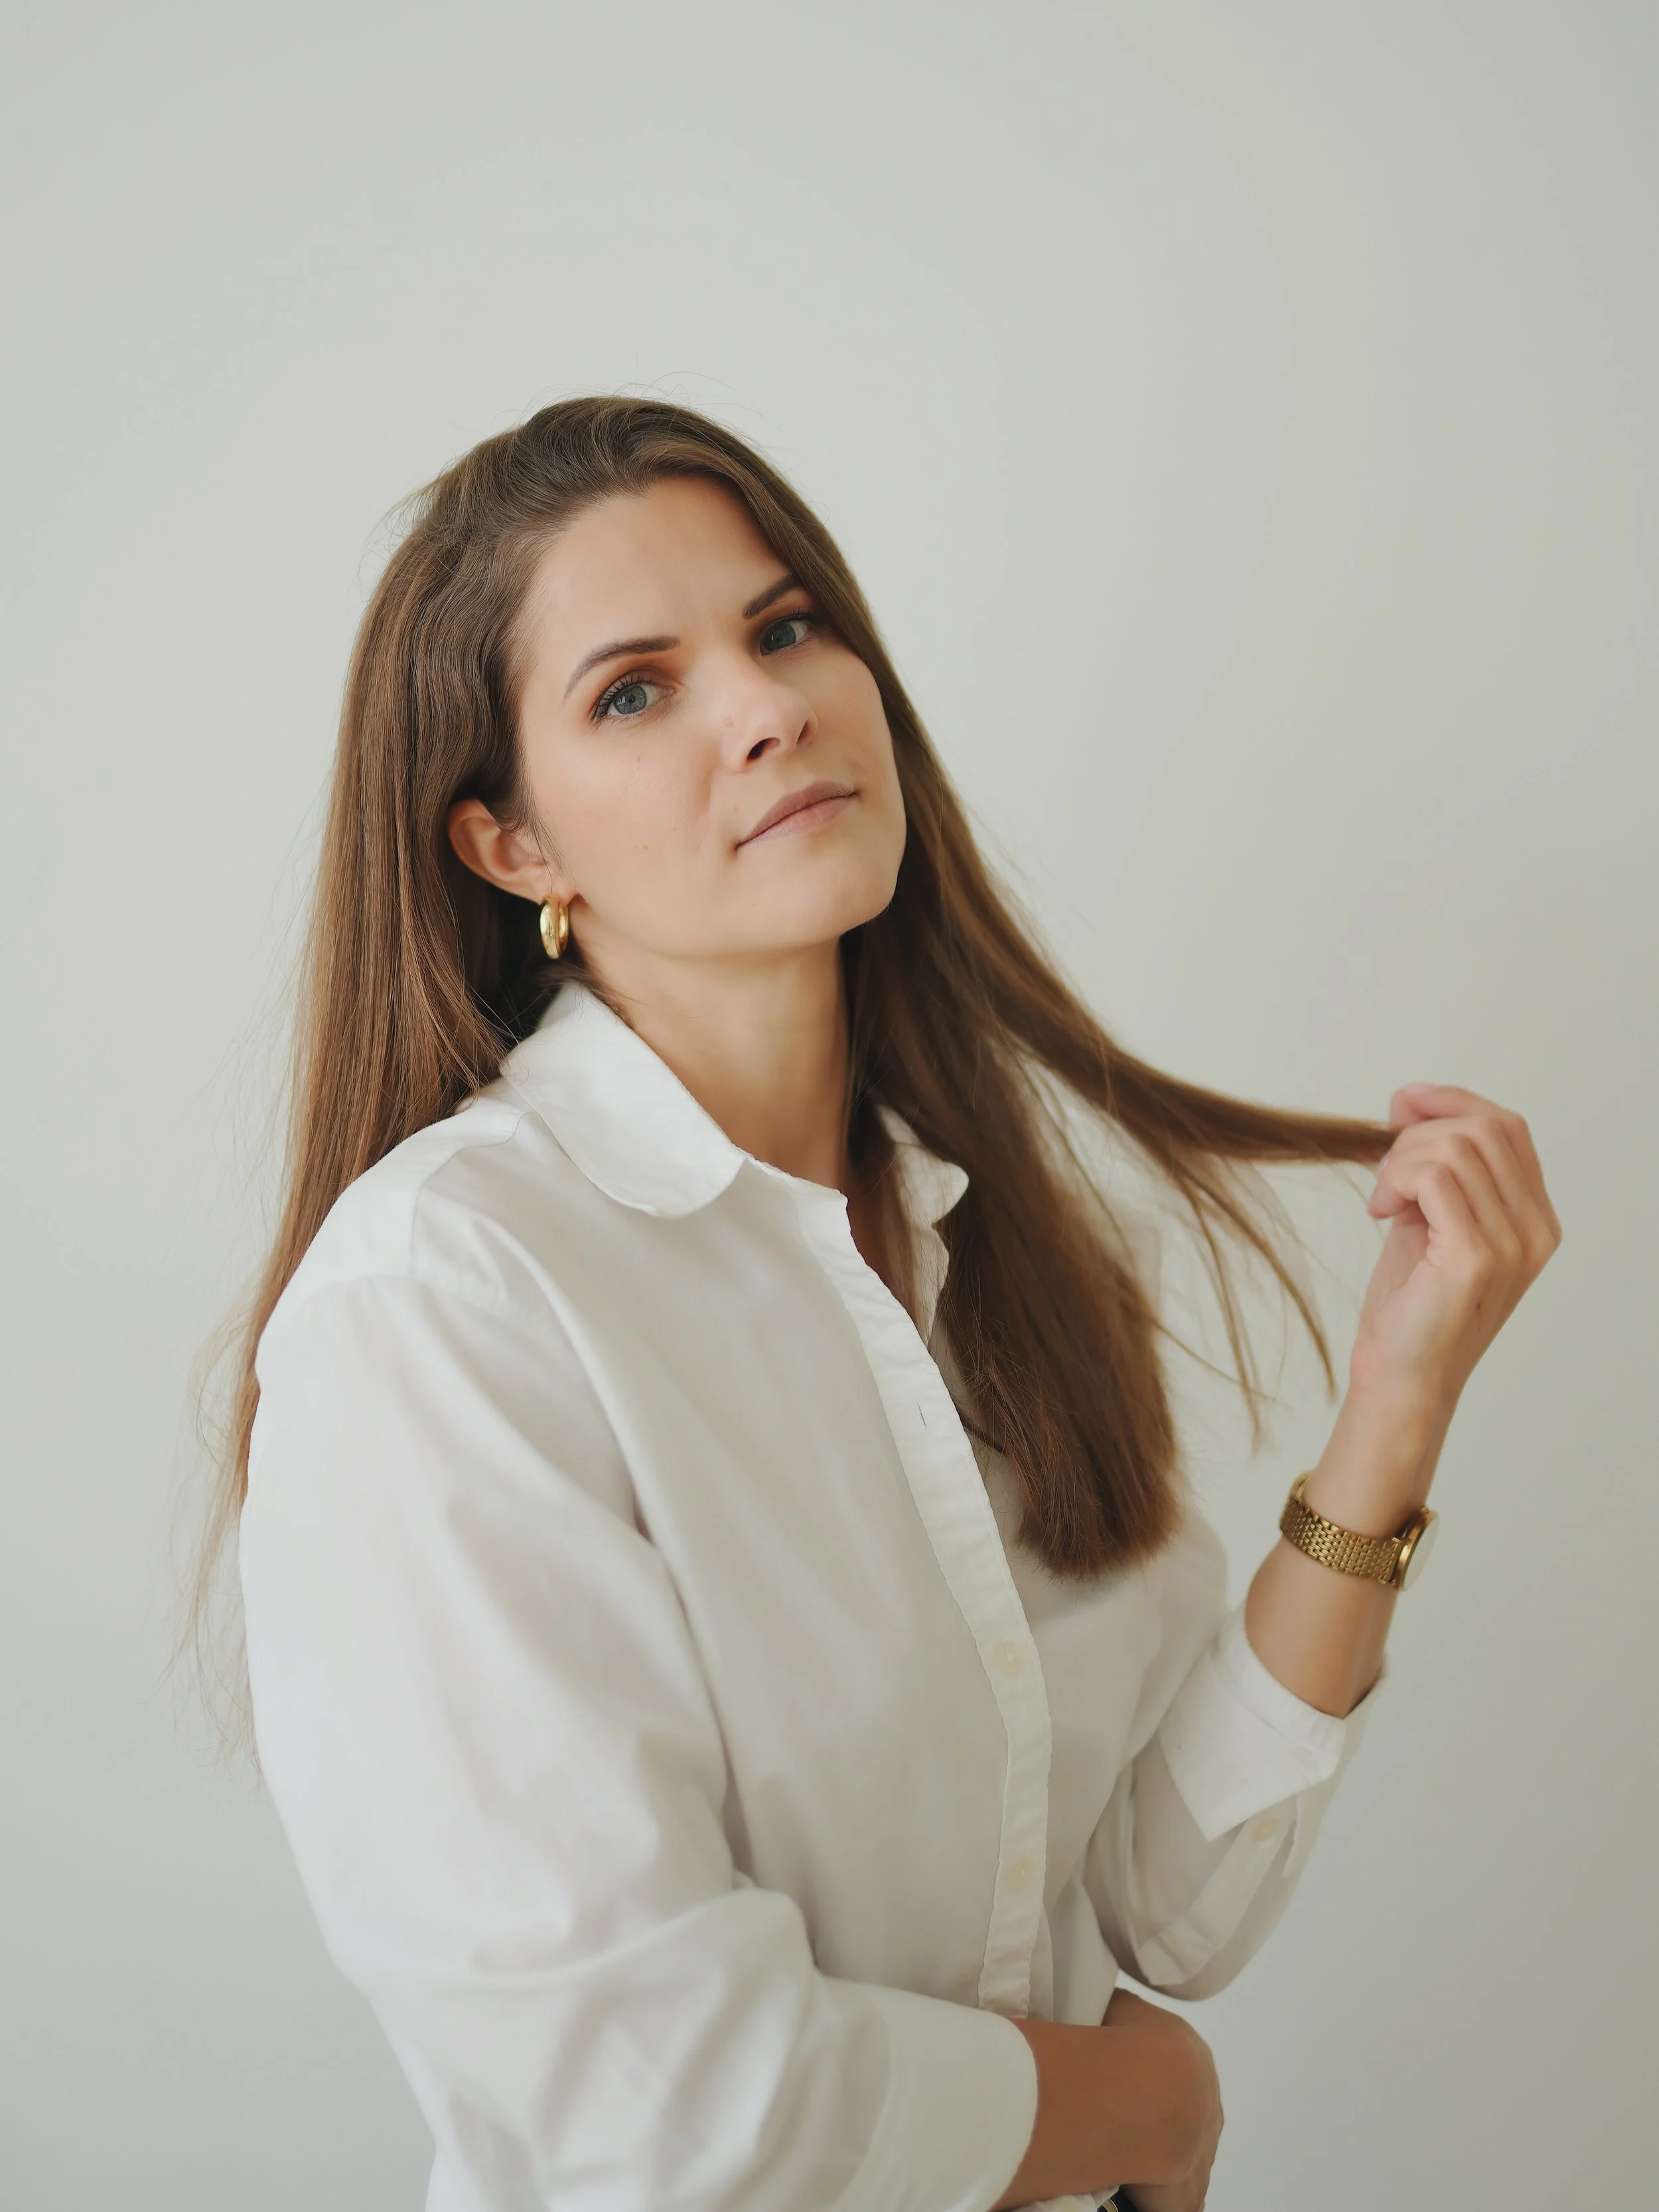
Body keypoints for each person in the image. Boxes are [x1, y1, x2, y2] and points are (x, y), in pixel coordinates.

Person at [220, 396, 1559, 2211]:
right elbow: (658, 2114)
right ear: (509, 847)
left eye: (784, 627)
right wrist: (1136, 2117)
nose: (764, 704)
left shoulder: (991, 1241)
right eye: (635, 688)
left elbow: (1157, 1900)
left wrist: (1394, 1410)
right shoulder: (447, 1299)